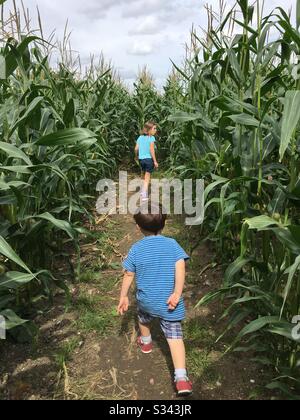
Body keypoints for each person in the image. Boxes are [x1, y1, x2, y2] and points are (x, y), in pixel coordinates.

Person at [117, 202, 193, 396]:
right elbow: (180, 268)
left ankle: (146, 342)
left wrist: (123, 296)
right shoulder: (173, 245)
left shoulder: (136, 249)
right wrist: (176, 293)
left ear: (138, 227)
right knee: (175, 338)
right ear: (165, 223)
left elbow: (128, 275)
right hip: (170, 303)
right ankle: (182, 378)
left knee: (143, 318)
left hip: (146, 300)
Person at [135, 122, 158, 201]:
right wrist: (155, 161)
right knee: (147, 177)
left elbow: (136, 149)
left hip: (141, 160)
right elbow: (152, 150)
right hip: (148, 160)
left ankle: (142, 190)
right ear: (149, 130)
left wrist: (136, 156)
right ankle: (144, 194)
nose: (155, 130)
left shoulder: (140, 137)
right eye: (154, 128)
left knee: (143, 174)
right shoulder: (151, 138)